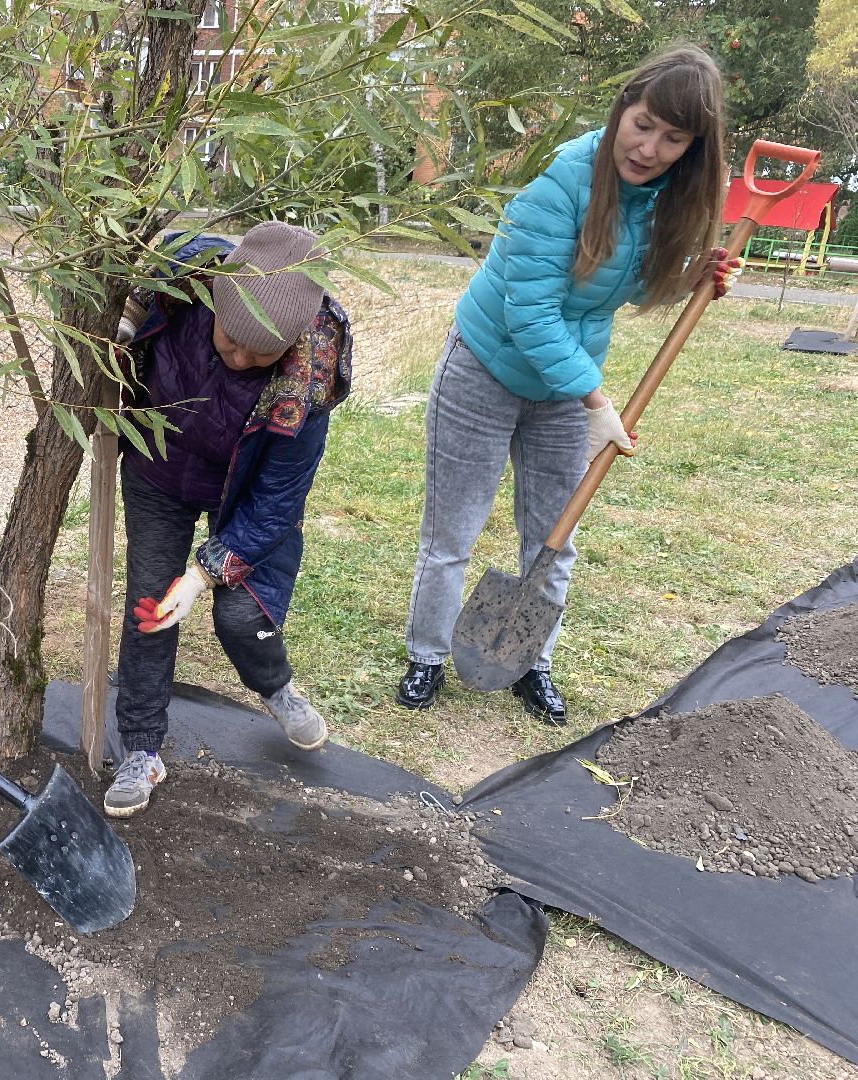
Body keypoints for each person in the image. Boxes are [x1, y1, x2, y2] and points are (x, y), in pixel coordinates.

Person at [396, 44, 741, 724]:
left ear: (692, 148)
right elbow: (529, 314)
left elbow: (620, 286)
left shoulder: (664, 198)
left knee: (554, 535)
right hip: (485, 366)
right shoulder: (559, 186)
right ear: (623, 109)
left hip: (564, 383)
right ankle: (427, 657)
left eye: (673, 139)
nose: (649, 149)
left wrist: (691, 279)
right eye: (643, 125)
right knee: (452, 533)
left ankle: (532, 663)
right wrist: (596, 402)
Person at [102, 221, 352, 818]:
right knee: (151, 610)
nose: (239, 359)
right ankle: (141, 750)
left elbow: (278, 501)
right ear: (215, 299)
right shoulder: (185, 278)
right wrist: (125, 328)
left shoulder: (309, 378)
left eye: (259, 354)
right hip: (159, 468)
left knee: (242, 614)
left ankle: (275, 687)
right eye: (230, 340)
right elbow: (139, 273)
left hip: (243, 492)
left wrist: (202, 575)